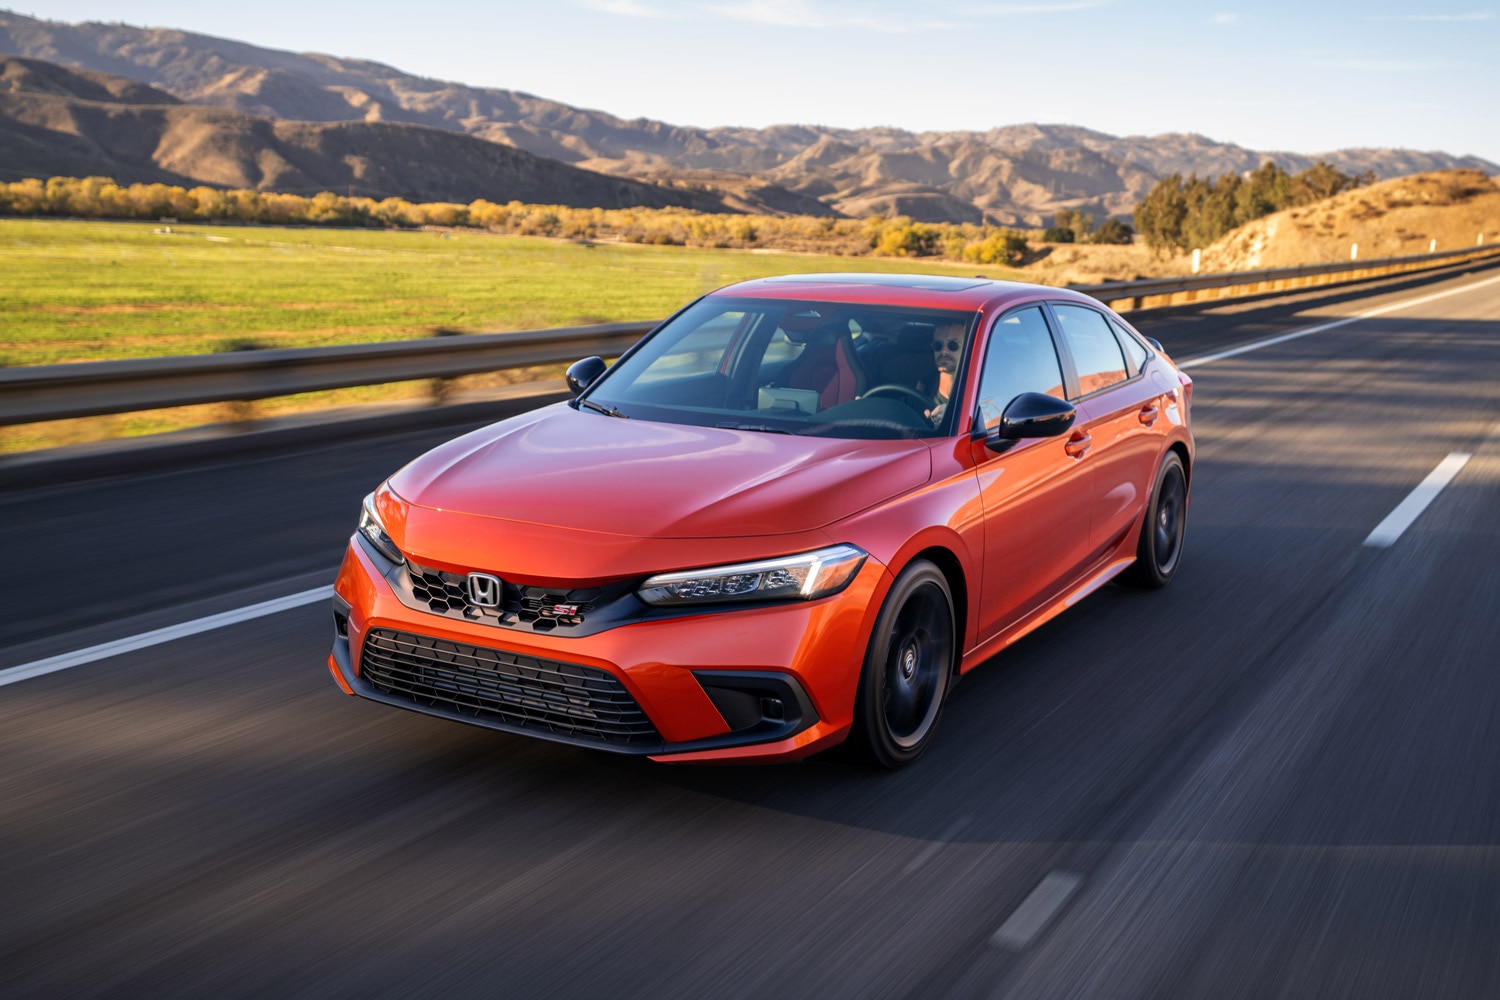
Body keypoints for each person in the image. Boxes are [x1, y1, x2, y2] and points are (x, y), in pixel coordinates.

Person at [926, 322, 963, 424]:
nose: (944, 352)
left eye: (953, 345)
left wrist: (956, 418)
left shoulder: (978, 393)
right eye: (938, 345)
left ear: (966, 347)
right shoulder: (924, 386)